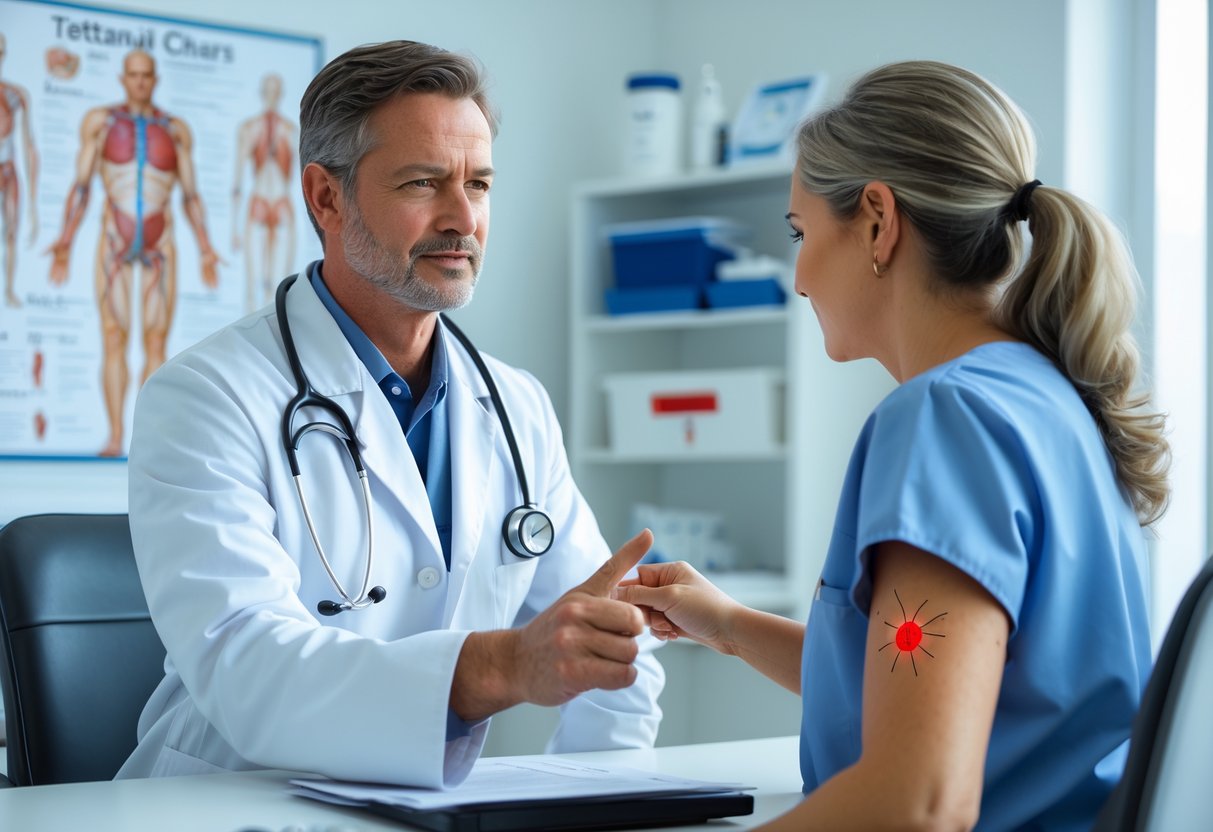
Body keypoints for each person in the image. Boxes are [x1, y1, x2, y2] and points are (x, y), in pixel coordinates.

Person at [615, 60, 1169, 832]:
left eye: (800, 233)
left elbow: (920, 802)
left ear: (877, 220)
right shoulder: (1042, 394)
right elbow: (937, 680)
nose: (799, 278)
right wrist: (730, 625)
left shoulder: (943, 417)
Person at [117, 40, 663, 787]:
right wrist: (500, 665)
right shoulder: (207, 396)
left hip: (429, 807)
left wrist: (595, 793)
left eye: (479, 183)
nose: (462, 218)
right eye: (422, 183)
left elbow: (608, 635)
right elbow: (247, 666)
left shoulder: (514, 405)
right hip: (227, 801)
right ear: (325, 197)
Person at [45, 49, 220, 457]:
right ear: (123, 78)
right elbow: (82, 185)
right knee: (113, 336)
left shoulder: (176, 129)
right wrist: (65, 242)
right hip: (115, 237)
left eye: (147, 75)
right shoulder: (101, 123)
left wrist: (207, 248)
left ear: (154, 79)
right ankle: (114, 434)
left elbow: (192, 194)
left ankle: (146, 437)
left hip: (160, 239)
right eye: (133, 75)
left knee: (156, 341)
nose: (140, 82)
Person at [231, 73, 298, 312]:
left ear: (280, 94)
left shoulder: (291, 131)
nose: (271, 95)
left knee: (279, 286)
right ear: (262, 92)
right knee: (253, 284)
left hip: (282, 201)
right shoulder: (248, 129)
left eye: (275, 90)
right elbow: (237, 179)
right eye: (268, 90)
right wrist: (233, 229)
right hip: (258, 199)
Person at [0, 31, 39, 309]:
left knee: (11, 230)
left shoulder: (15, 95)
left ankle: (9, 289)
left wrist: (35, 204)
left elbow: (29, 146)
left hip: (7, 171)